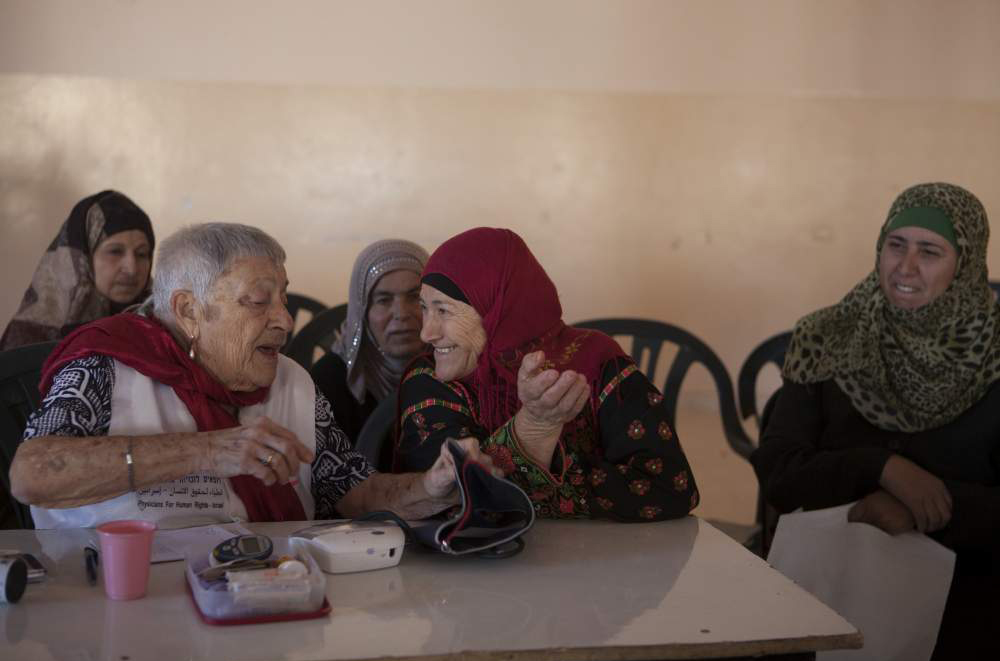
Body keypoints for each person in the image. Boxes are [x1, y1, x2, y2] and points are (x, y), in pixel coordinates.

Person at [10, 223, 497, 529]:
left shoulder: (293, 383)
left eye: (283, 298)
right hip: (112, 605)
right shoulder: (106, 366)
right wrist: (208, 449)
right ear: (188, 309)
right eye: (259, 301)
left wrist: (429, 488)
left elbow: (355, 492)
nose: (284, 319)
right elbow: (31, 474)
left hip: (270, 596)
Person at [751, 182, 1000, 661]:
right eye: (895, 245)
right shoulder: (825, 337)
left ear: (965, 265)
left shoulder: (994, 358)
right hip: (826, 592)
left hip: (964, 605)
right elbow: (780, 473)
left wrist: (922, 513)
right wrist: (878, 467)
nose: (905, 268)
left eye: (929, 252)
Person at [394, 227, 698, 521]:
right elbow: (453, 496)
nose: (426, 332)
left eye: (443, 311)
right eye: (424, 308)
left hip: (597, 564)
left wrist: (541, 474)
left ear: (496, 309)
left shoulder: (593, 364)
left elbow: (670, 487)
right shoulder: (428, 379)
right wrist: (536, 433)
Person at [310, 240, 428, 455]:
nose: (402, 313)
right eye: (383, 300)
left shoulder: (454, 369)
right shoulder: (329, 382)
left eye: (414, 297)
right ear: (361, 311)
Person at [1, 190, 155, 350]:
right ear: (83, 258)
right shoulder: (30, 337)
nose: (131, 269)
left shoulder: (164, 329)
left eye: (142, 254)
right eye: (115, 251)